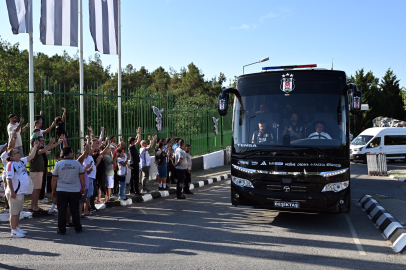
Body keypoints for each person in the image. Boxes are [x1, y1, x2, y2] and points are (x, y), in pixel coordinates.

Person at [5, 140, 39, 237]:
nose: (19, 153)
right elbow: (8, 179)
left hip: (20, 192)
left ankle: (17, 227)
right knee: (14, 212)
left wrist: (35, 147)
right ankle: (13, 231)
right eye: (17, 152)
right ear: (13, 156)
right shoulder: (11, 165)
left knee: (18, 211)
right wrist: (12, 191)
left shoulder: (20, 161)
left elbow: (31, 156)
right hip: (15, 192)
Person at [52, 147, 85, 235]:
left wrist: (53, 190)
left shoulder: (58, 164)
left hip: (61, 190)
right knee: (75, 209)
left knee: (62, 210)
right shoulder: (77, 163)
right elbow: (82, 177)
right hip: (74, 190)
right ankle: (77, 228)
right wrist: (83, 188)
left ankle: (62, 229)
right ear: (70, 153)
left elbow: (54, 179)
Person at [28, 135, 58, 212]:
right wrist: (51, 142)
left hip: (37, 172)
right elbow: (44, 150)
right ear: (33, 143)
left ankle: (33, 206)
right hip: (36, 172)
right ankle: (35, 206)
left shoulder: (37, 149)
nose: (39, 143)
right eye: (36, 142)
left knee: (37, 189)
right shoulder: (35, 150)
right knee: (37, 189)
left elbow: (45, 149)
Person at [1, 132, 17, 213]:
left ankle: (10, 206)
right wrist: (13, 137)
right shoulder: (4, 155)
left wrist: (13, 138)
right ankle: (7, 206)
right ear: (3, 149)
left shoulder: (6, 154)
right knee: (8, 191)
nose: (7, 147)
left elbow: (11, 146)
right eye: (5, 147)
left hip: (10, 175)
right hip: (7, 176)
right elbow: (11, 146)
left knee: (10, 191)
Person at [128, 127, 141, 194]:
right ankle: (136, 190)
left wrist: (137, 134)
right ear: (132, 142)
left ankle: (132, 189)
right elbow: (138, 140)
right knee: (135, 178)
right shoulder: (131, 147)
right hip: (134, 163)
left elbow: (136, 139)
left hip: (134, 163)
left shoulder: (131, 146)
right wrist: (139, 133)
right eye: (134, 141)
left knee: (133, 177)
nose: (135, 141)